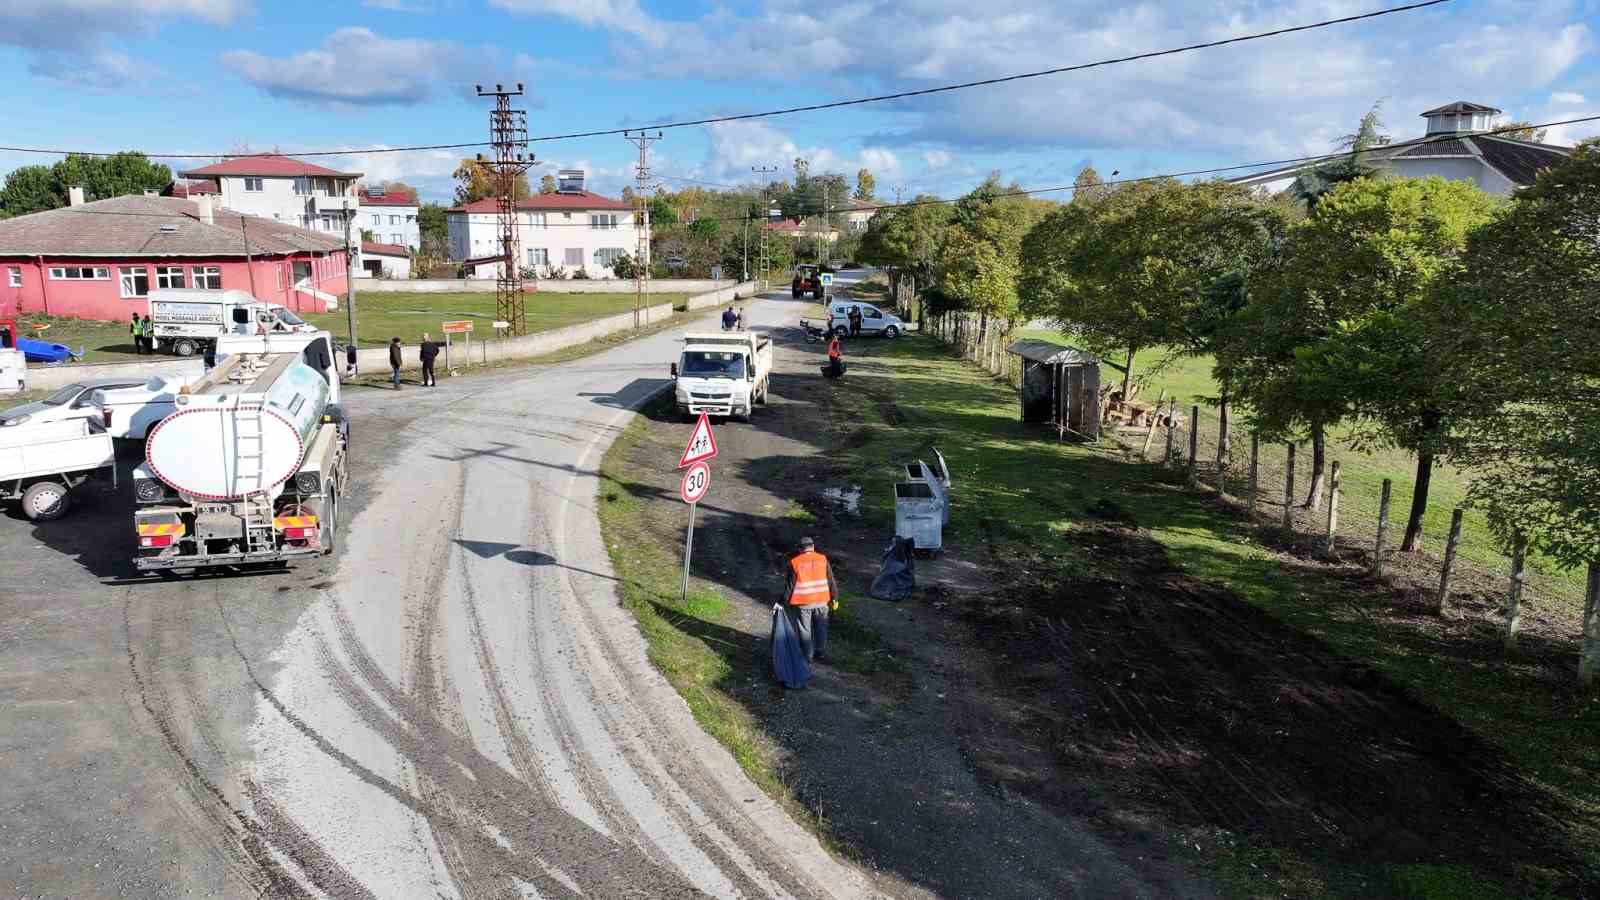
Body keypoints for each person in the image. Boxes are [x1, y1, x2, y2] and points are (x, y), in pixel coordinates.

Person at [784, 537, 838, 662]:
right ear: (813, 547)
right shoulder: (823, 559)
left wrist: (784, 602)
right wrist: (835, 598)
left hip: (804, 602)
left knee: (805, 629)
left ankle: (807, 656)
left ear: (799, 549)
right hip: (822, 600)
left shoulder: (795, 562)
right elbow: (831, 580)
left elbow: (790, 586)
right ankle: (821, 653)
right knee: (821, 628)